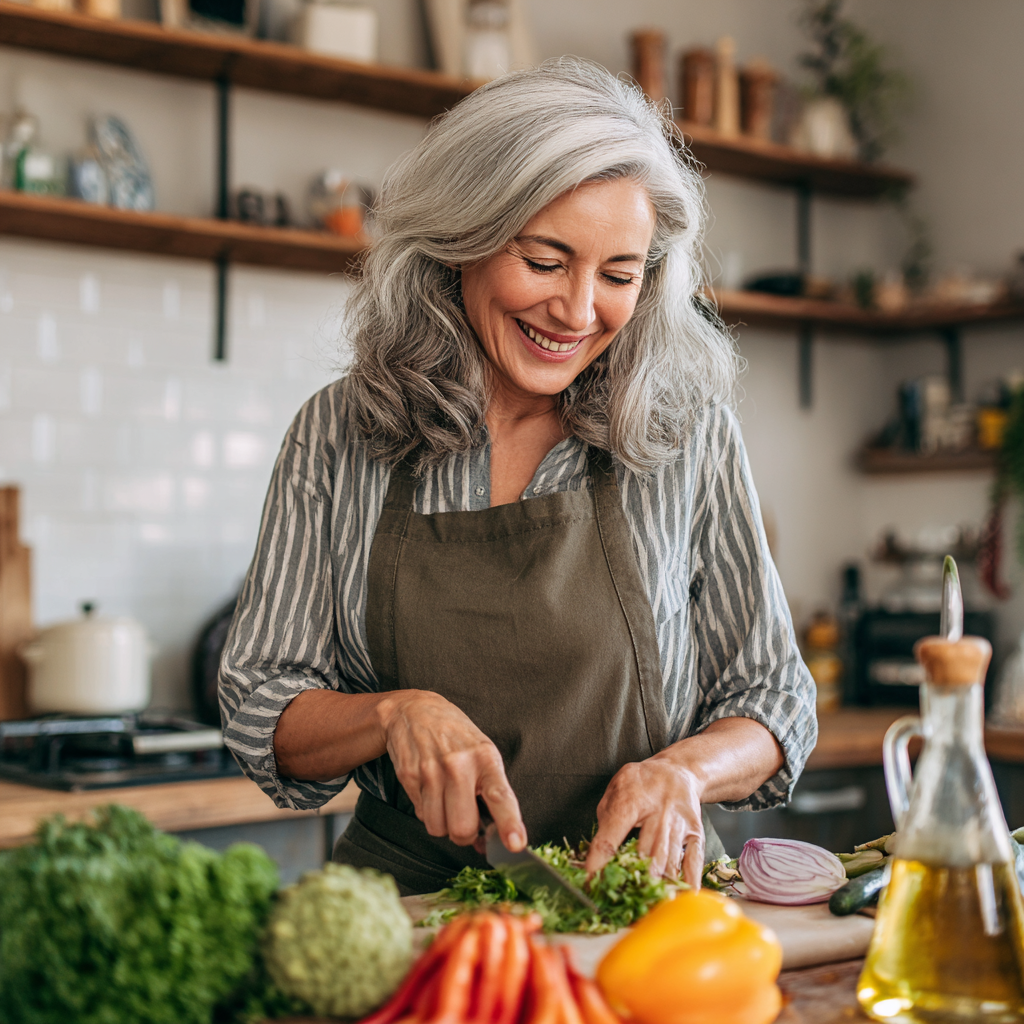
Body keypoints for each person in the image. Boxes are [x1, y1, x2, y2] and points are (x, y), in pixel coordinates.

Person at [219, 59, 817, 895]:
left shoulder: (688, 436)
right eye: (544, 261)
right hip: (412, 905)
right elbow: (262, 699)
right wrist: (394, 713)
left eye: (618, 276)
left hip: (641, 902)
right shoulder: (339, 433)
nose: (577, 313)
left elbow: (773, 697)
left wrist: (687, 771)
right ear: (459, 239)